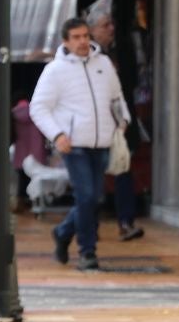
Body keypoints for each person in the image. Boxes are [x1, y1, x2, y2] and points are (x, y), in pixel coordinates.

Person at [30, 17, 131, 270]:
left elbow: (116, 97)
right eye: (76, 37)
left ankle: (63, 232)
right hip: (73, 144)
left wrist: (123, 120)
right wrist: (57, 135)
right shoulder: (55, 70)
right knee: (86, 196)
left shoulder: (104, 63)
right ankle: (88, 252)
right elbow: (39, 107)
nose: (83, 41)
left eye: (85, 35)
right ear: (66, 41)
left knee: (95, 198)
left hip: (103, 141)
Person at [87, 0, 144, 242]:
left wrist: (124, 121)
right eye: (104, 25)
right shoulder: (84, 55)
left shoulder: (121, 49)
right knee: (91, 181)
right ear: (91, 31)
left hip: (117, 124)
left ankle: (125, 222)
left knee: (123, 169)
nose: (110, 29)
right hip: (91, 127)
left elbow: (123, 92)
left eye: (111, 24)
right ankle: (89, 227)